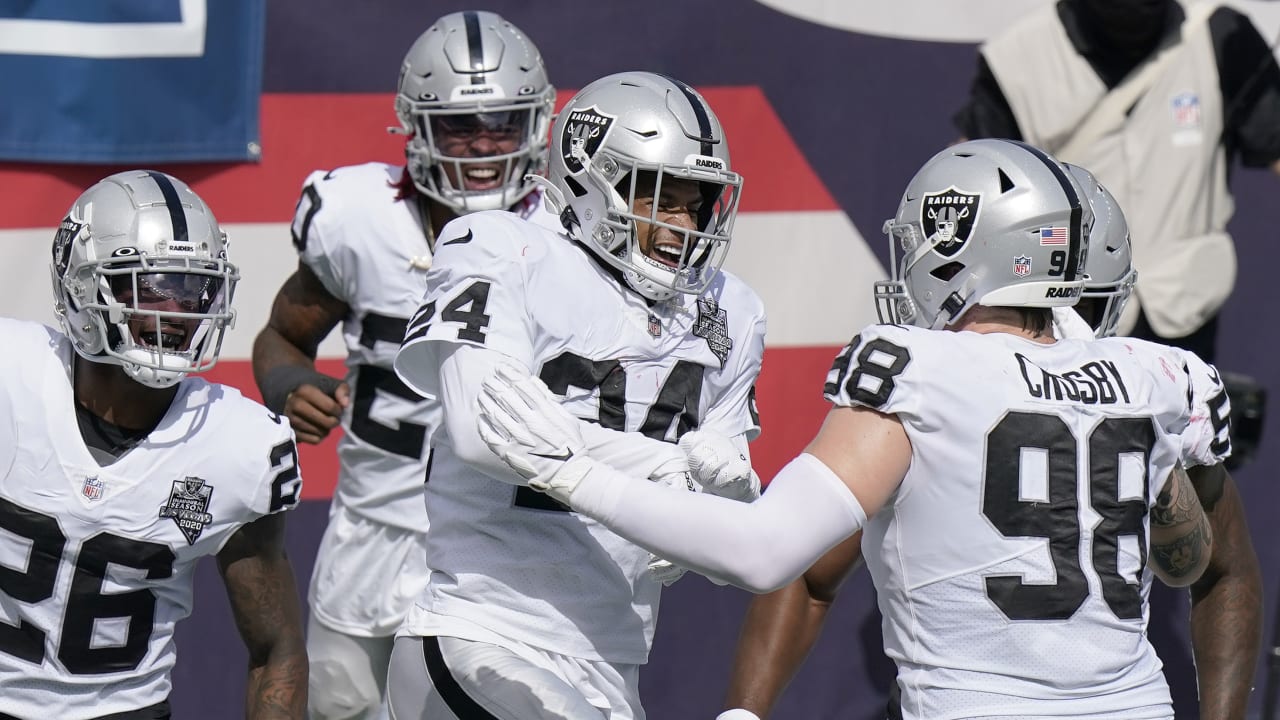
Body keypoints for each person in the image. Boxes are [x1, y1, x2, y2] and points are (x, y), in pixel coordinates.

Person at [476, 140, 1217, 719]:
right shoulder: (1153, 378)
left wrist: (569, 472)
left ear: (971, 250)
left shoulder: (924, 368)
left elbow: (765, 552)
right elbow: (1197, 564)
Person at [717, 164, 1263, 720]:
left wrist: (744, 712)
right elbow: (1221, 570)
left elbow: (808, 569)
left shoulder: (926, 381)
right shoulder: (1153, 385)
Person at [385, 70, 765, 719]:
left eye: (695, 203)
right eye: (660, 199)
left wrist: (728, 501)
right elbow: (487, 432)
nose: (682, 224)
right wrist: (666, 470)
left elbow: (719, 551)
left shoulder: (731, 312)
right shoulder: (502, 248)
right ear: (596, 183)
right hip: (483, 634)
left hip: (613, 657)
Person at [250, 11, 555, 719]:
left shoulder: (564, 235)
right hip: (373, 534)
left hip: (505, 548)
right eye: (458, 127)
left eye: (503, 124)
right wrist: (289, 382)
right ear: (415, 127)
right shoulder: (360, 220)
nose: (482, 147)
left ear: (535, 124)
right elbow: (282, 334)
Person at [0, 170, 306, 719]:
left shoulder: (237, 445)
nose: (177, 310)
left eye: (193, 288)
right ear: (81, 287)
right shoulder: (11, 376)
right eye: (151, 285)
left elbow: (276, 647)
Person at [953, 0, 1280, 364]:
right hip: (1064, 324)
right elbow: (977, 187)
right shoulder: (1015, 60)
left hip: (1184, 319)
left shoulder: (1219, 33)